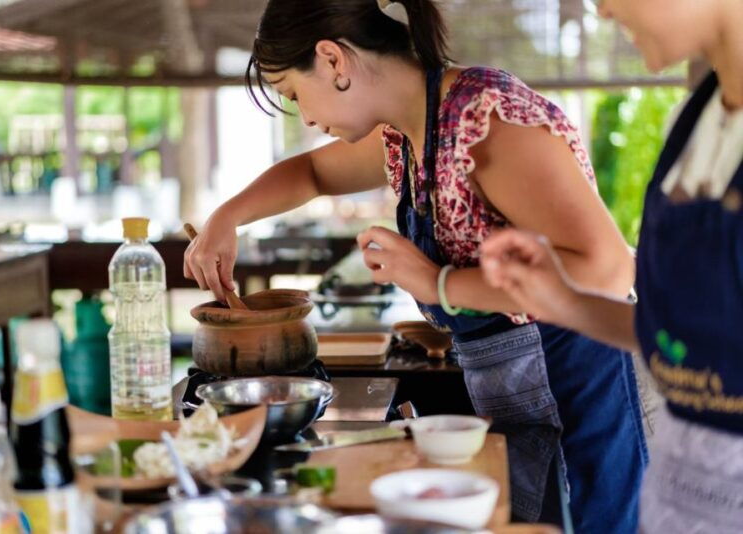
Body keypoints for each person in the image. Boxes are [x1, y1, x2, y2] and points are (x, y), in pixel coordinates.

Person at [183, 1, 647, 530]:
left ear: (333, 60)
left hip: (581, 391)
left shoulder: (484, 118)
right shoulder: (408, 132)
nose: (306, 118)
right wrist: (227, 217)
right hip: (516, 391)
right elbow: (312, 172)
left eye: (293, 93)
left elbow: (605, 270)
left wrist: (436, 283)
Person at [479, 0, 743, 532]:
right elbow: (684, 337)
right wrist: (563, 300)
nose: (601, 9)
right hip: (678, 504)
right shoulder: (696, 122)